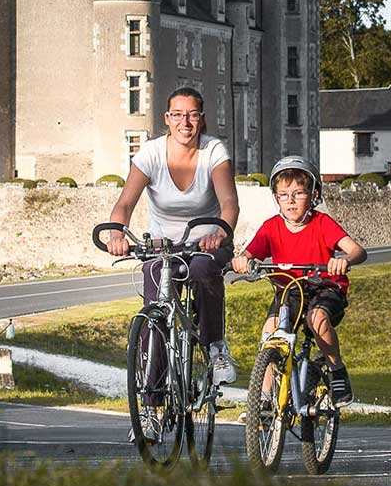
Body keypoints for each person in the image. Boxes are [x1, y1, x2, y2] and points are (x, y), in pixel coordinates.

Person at [105, 87, 241, 396]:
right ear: (167, 118)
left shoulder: (214, 151)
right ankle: (151, 402)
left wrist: (219, 232)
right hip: (164, 246)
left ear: (201, 119)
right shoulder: (151, 153)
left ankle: (215, 346)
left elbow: (229, 203)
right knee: (154, 305)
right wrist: (117, 232)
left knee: (204, 271)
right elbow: (125, 203)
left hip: (205, 242)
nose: (185, 122)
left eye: (192, 115)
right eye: (178, 115)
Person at [231, 156, 366, 406]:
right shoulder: (271, 227)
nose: (290, 200)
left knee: (317, 319)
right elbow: (251, 253)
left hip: (323, 287)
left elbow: (358, 251)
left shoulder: (322, 223)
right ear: (276, 198)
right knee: (270, 331)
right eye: (283, 195)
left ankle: (336, 369)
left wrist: (345, 259)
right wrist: (243, 259)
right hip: (289, 290)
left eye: (298, 193)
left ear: (313, 195)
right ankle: (263, 398)